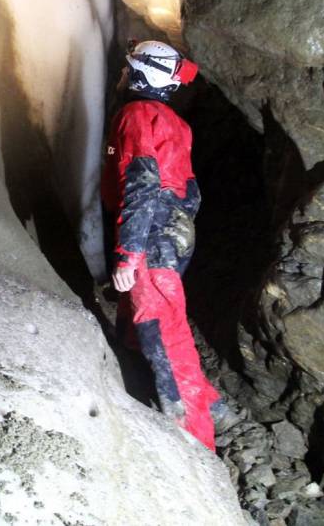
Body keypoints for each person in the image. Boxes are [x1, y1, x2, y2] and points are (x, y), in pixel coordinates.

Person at [101, 39, 223, 452]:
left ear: (140, 74)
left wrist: (129, 253)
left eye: (127, 68)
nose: (122, 74)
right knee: (144, 312)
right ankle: (206, 401)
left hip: (152, 229)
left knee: (162, 330)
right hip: (175, 228)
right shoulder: (176, 123)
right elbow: (189, 191)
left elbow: (142, 182)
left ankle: (196, 438)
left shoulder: (136, 115)